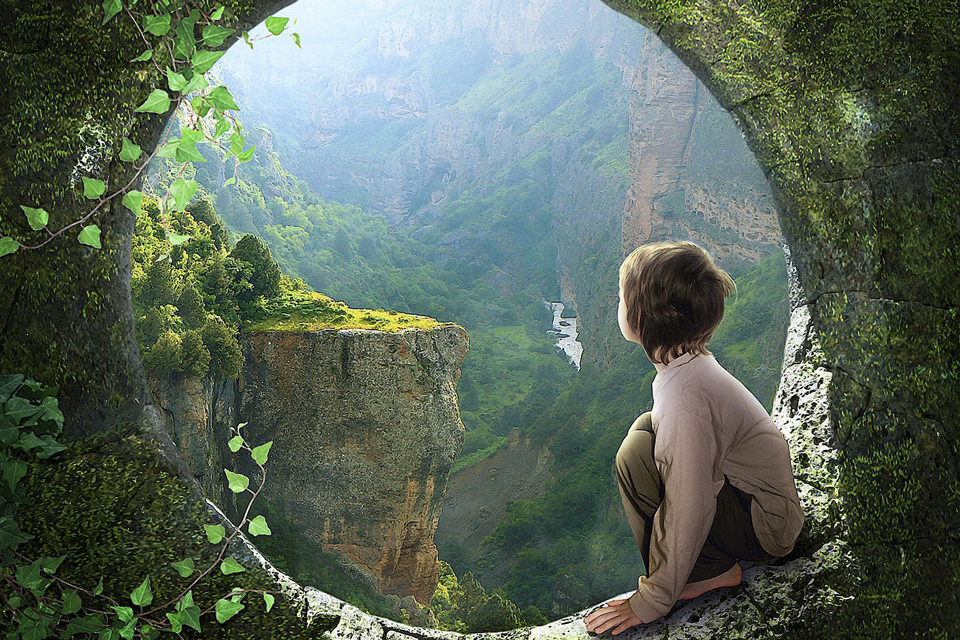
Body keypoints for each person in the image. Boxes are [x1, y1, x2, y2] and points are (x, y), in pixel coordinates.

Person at [583, 241, 803, 635]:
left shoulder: (684, 400)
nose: (615, 302)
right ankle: (700, 567)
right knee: (644, 431)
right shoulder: (690, 367)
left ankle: (710, 573)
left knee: (634, 457)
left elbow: (691, 503)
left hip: (764, 528)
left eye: (621, 295)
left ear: (643, 316)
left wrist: (652, 600)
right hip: (759, 504)